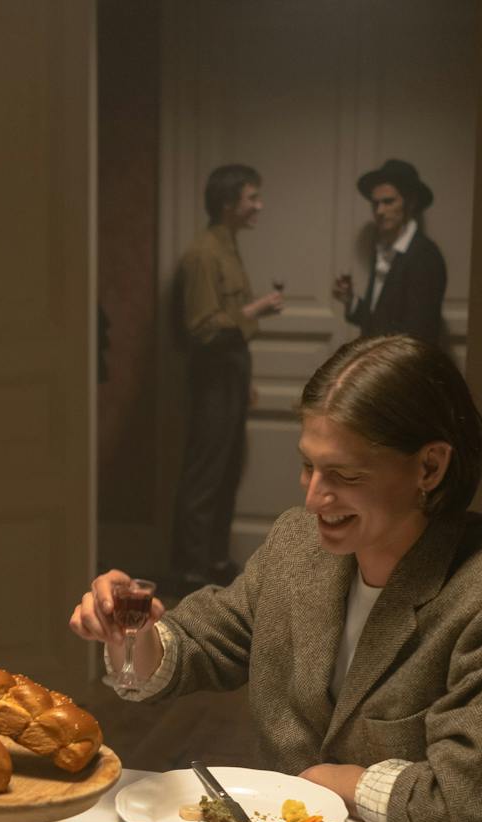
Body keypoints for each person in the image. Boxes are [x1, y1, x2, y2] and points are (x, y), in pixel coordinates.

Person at [70, 334, 482, 822]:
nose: (314, 499)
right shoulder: (296, 544)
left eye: (345, 475)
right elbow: (200, 642)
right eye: (308, 466)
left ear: (430, 467)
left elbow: (465, 813)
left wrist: (337, 783)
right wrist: (130, 637)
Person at [169, 163, 285, 595]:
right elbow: (202, 326)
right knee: (206, 472)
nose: (259, 205)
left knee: (229, 467)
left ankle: (214, 560)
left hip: (231, 374)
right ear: (228, 203)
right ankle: (191, 570)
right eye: (252, 197)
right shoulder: (204, 253)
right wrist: (257, 309)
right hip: (212, 376)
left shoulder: (228, 245)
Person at [333, 158, 448, 347]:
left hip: (403, 371)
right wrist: (350, 301)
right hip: (378, 365)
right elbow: (379, 320)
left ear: (410, 203)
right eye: (375, 203)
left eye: (388, 202)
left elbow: (418, 335)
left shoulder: (425, 256)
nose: (379, 210)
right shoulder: (382, 249)